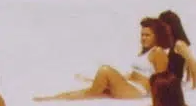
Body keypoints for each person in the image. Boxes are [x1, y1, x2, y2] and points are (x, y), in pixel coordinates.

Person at [36, 18, 171, 101]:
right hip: (130, 85)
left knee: (101, 76)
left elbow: (162, 80)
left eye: (147, 35)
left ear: (156, 36)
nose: (143, 38)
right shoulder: (145, 52)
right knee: (90, 90)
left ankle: (54, 99)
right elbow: (135, 74)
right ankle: (56, 98)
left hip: (138, 91)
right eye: (142, 35)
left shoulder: (158, 52)